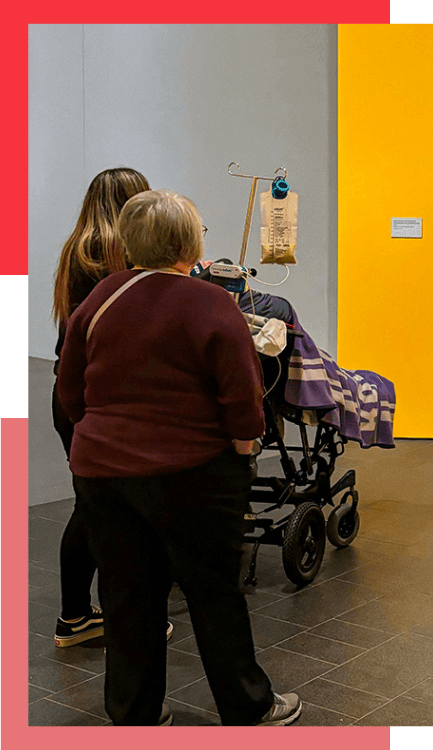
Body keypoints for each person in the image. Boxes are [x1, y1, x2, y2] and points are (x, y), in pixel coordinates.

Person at [56, 189, 301, 725]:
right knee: (214, 592)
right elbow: (243, 395)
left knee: (126, 596)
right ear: (190, 243)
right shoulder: (212, 303)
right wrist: (244, 446)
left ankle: (134, 712)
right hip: (192, 473)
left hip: (104, 473)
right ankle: (247, 705)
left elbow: (69, 392)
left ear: (130, 240)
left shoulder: (100, 298)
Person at [50, 167, 159, 647]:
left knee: (93, 505)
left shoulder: (79, 249)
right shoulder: (117, 260)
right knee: (100, 512)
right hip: (101, 400)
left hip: (73, 393)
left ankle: (79, 615)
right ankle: (87, 617)